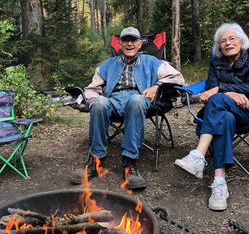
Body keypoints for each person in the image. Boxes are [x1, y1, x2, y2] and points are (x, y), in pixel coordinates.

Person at [70, 27, 185, 189]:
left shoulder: (152, 62)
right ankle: (95, 160)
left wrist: (157, 85)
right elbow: (91, 89)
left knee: (137, 100)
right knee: (100, 102)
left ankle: (129, 162)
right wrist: (92, 100)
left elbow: (177, 77)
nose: (129, 44)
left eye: (133, 40)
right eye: (126, 40)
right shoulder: (107, 65)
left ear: (139, 44)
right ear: (120, 44)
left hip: (139, 99)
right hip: (113, 100)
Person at [174, 23, 249, 211]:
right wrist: (229, 94)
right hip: (222, 112)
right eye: (222, 41)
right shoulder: (217, 62)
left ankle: (198, 156)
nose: (227, 44)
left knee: (218, 99)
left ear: (241, 41)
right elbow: (210, 90)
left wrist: (222, 90)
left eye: (231, 39)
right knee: (224, 118)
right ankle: (219, 183)